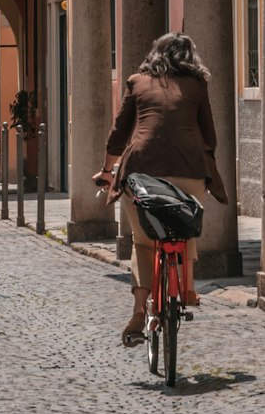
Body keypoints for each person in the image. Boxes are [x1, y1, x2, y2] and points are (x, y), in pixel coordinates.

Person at [92, 32, 227, 347]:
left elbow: (118, 134)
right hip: (189, 169)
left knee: (143, 242)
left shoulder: (137, 83)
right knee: (185, 225)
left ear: (155, 55)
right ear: (190, 59)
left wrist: (108, 170)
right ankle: (187, 288)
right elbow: (210, 136)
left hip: (142, 170)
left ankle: (140, 310)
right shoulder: (197, 86)